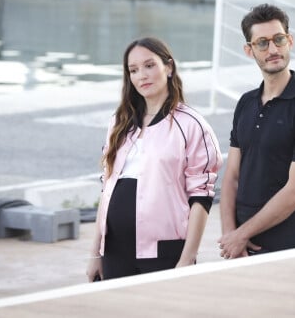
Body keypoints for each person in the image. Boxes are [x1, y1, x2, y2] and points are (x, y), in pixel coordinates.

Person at [86, 36, 223, 281]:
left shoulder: (191, 124)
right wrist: (95, 253)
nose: (142, 76)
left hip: (164, 251)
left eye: (149, 66)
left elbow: (201, 198)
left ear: (168, 67)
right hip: (115, 251)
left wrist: (187, 258)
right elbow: (106, 189)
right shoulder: (119, 123)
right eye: (134, 70)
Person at [218, 3, 295, 259]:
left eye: (278, 39)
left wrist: (242, 234)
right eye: (262, 43)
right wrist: (230, 235)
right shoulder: (246, 103)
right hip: (239, 246)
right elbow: (232, 176)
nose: (273, 49)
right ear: (249, 50)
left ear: (289, 41)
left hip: (286, 244)